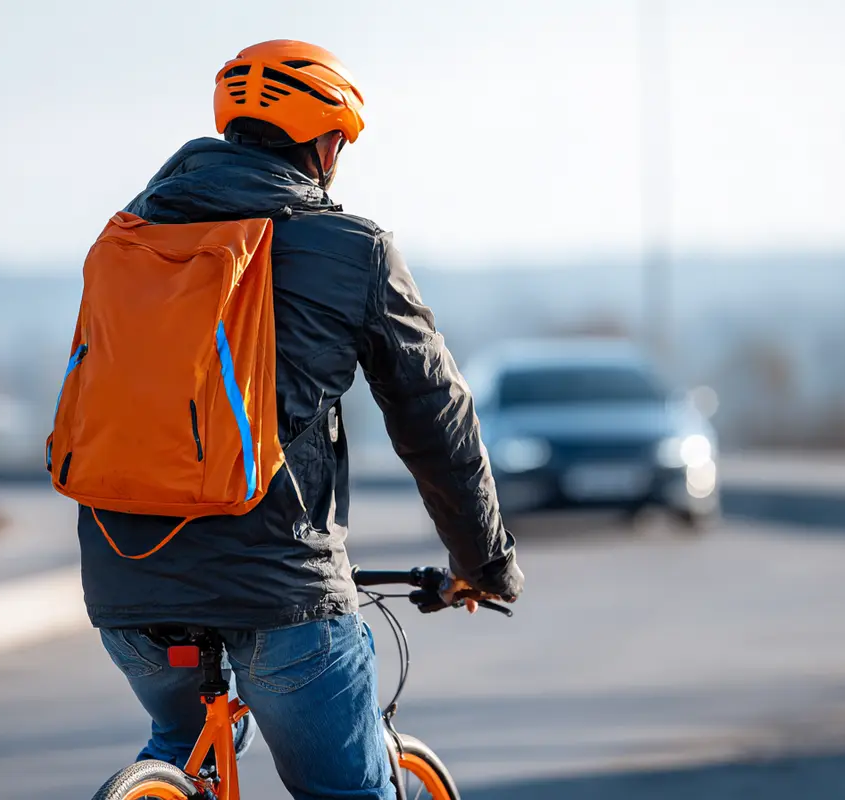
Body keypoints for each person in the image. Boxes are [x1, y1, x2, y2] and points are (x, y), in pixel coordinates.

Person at [76, 39, 524, 800]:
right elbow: (434, 415)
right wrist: (481, 562)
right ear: (322, 143)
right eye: (339, 144)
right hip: (280, 587)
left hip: (126, 584)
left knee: (184, 742)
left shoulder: (129, 239)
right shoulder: (355, 251)